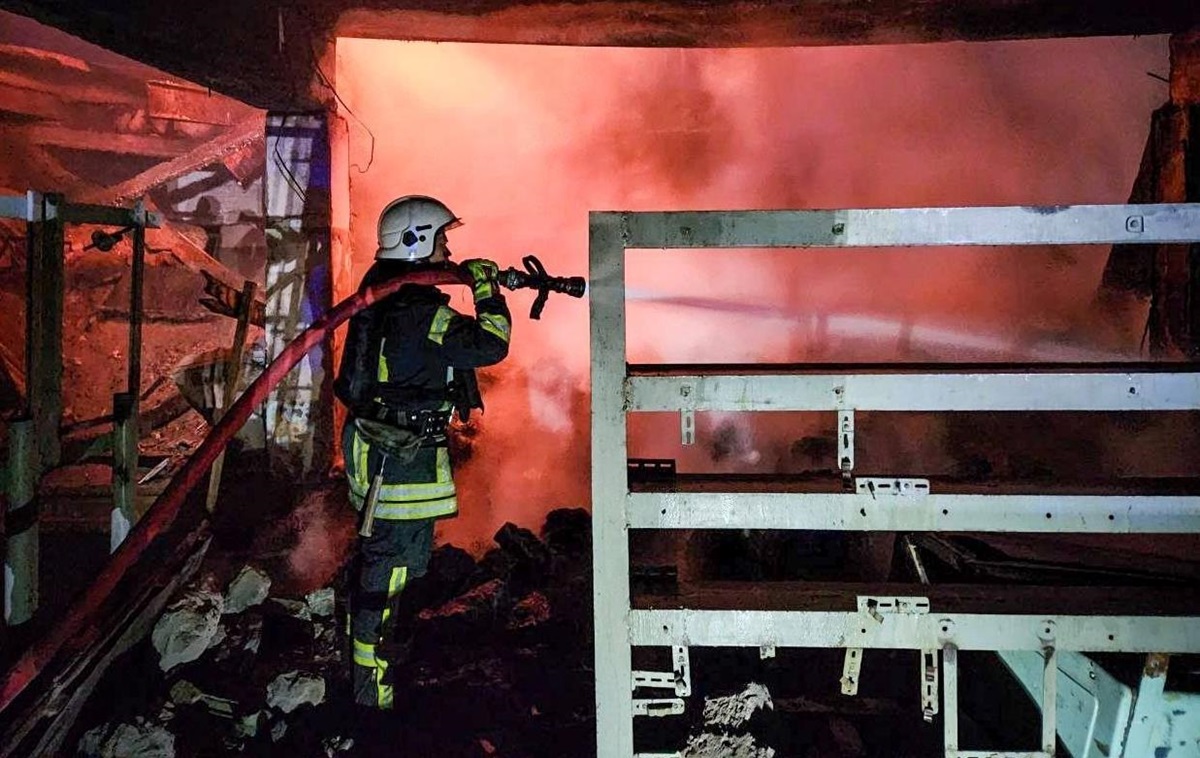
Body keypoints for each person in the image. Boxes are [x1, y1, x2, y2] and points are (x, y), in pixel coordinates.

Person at [333, 195, 511, 711]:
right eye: (442, 239)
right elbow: (490, 344)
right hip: (399, 466)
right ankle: (373, 699)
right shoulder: (418, 313)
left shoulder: (389, 298)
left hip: (395, 455)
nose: (448, 249)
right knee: (388, 580)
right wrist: (486, 290)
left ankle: (377, 677)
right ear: (416, 242)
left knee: (393, 573)